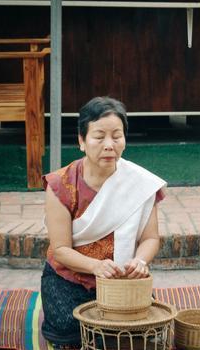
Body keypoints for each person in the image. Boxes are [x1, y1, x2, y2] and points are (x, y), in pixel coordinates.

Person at [41, 97, 166, 349]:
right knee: (68, 330)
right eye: (99, 137)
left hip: (121, 279)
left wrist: (139, 262)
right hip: (71, 277)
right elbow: (61, 250)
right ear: (81, 141)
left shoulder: (139, 183)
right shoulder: (60, 184)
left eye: (116, 136)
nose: (109, 145)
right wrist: (96, 266)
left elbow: (150, 238)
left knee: (143, 329)